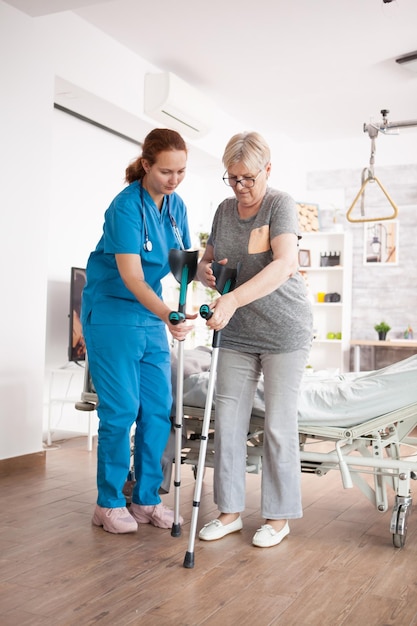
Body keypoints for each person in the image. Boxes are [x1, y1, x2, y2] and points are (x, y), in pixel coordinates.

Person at [196, 131, 313, 548]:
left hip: (285, 329)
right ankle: (228, 513)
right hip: (237, 331)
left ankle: (278, 518)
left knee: (279, 425)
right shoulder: (224, 210)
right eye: (232, 178)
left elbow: (284, 264)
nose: (241, 187)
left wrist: (232, 298)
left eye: (248, 178)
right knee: (228, 421)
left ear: (267, 169)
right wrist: (202, 272)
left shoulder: (280, 204)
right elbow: (208, 259)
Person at [81, 128, 195, 534]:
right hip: (113, 312)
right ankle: (108, 502)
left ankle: (146, 499)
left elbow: (181, 263)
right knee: (122, 411)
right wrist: (169, 315)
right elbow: (131, 277)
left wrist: (204, 279)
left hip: (150, 316)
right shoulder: (125, 208)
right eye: (166, 171)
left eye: (181, 171)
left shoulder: (176, 205)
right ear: (146, 164)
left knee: (158, 412)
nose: (174, 179)